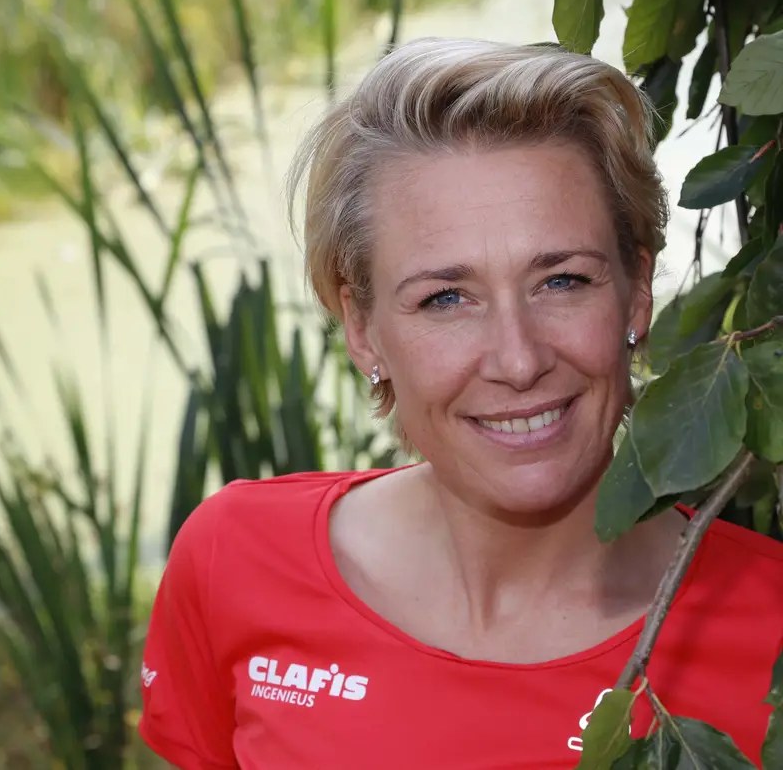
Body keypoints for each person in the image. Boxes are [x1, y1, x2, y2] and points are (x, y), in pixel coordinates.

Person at [138, 38, 783, 769]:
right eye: (446, 298)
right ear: (361, 328)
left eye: (563, 281)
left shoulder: (771, 627)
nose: (519, 360)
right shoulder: (236, 560)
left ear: (636, 292)